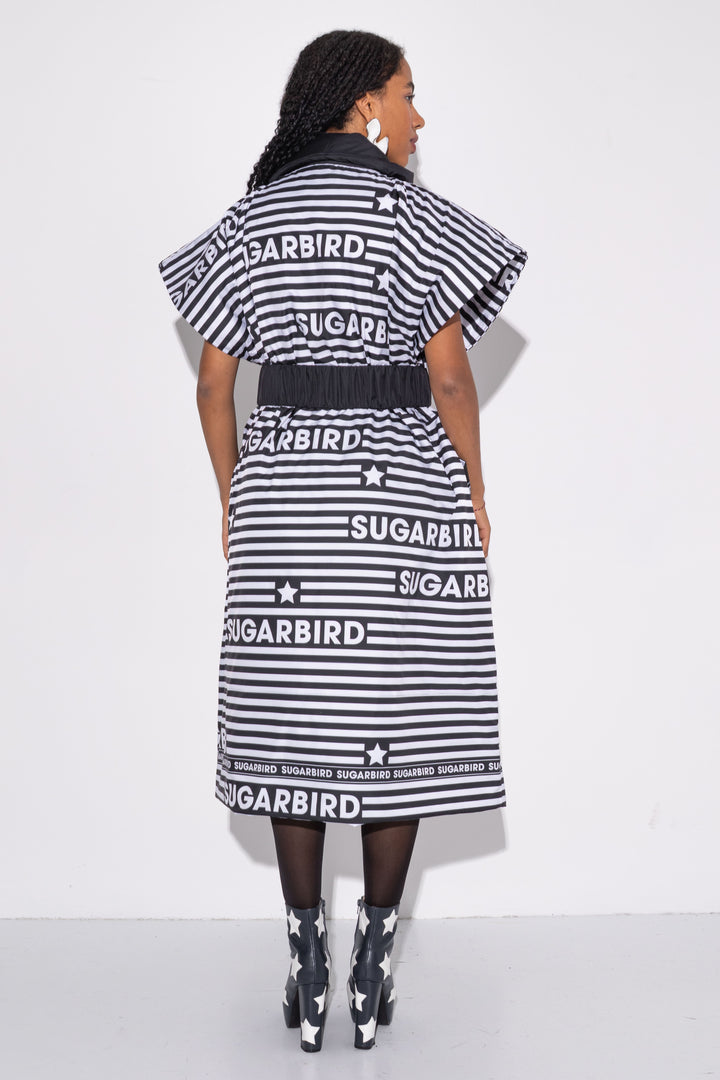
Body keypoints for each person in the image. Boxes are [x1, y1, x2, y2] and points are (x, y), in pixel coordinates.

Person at [158, 29, 528, 1053]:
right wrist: (474, 488)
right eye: (408, 94)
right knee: (396, 722)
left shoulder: (253, 218)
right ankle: (373, 961)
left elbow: (214, 386)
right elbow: (449, 376)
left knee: (295, 727)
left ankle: (305, 960)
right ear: (365, 102)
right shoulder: (416, 218)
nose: (418, 115)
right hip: (400, 502)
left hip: (285, 500)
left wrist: (235, 496)